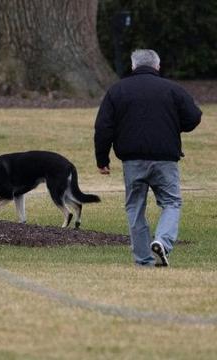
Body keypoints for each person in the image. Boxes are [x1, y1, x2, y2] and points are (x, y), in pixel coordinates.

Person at [94, 49, 202, 267]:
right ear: (157, 66)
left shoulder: (117, 90)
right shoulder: (172, 89)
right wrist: (172, 126)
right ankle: (162, 240)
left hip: (132, 160)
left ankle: (143, 261)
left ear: (133, 67)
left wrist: (102, 159)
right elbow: (194, 116)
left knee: (135, 207)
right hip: (165, 159)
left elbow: (103, 127)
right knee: (171, 202)